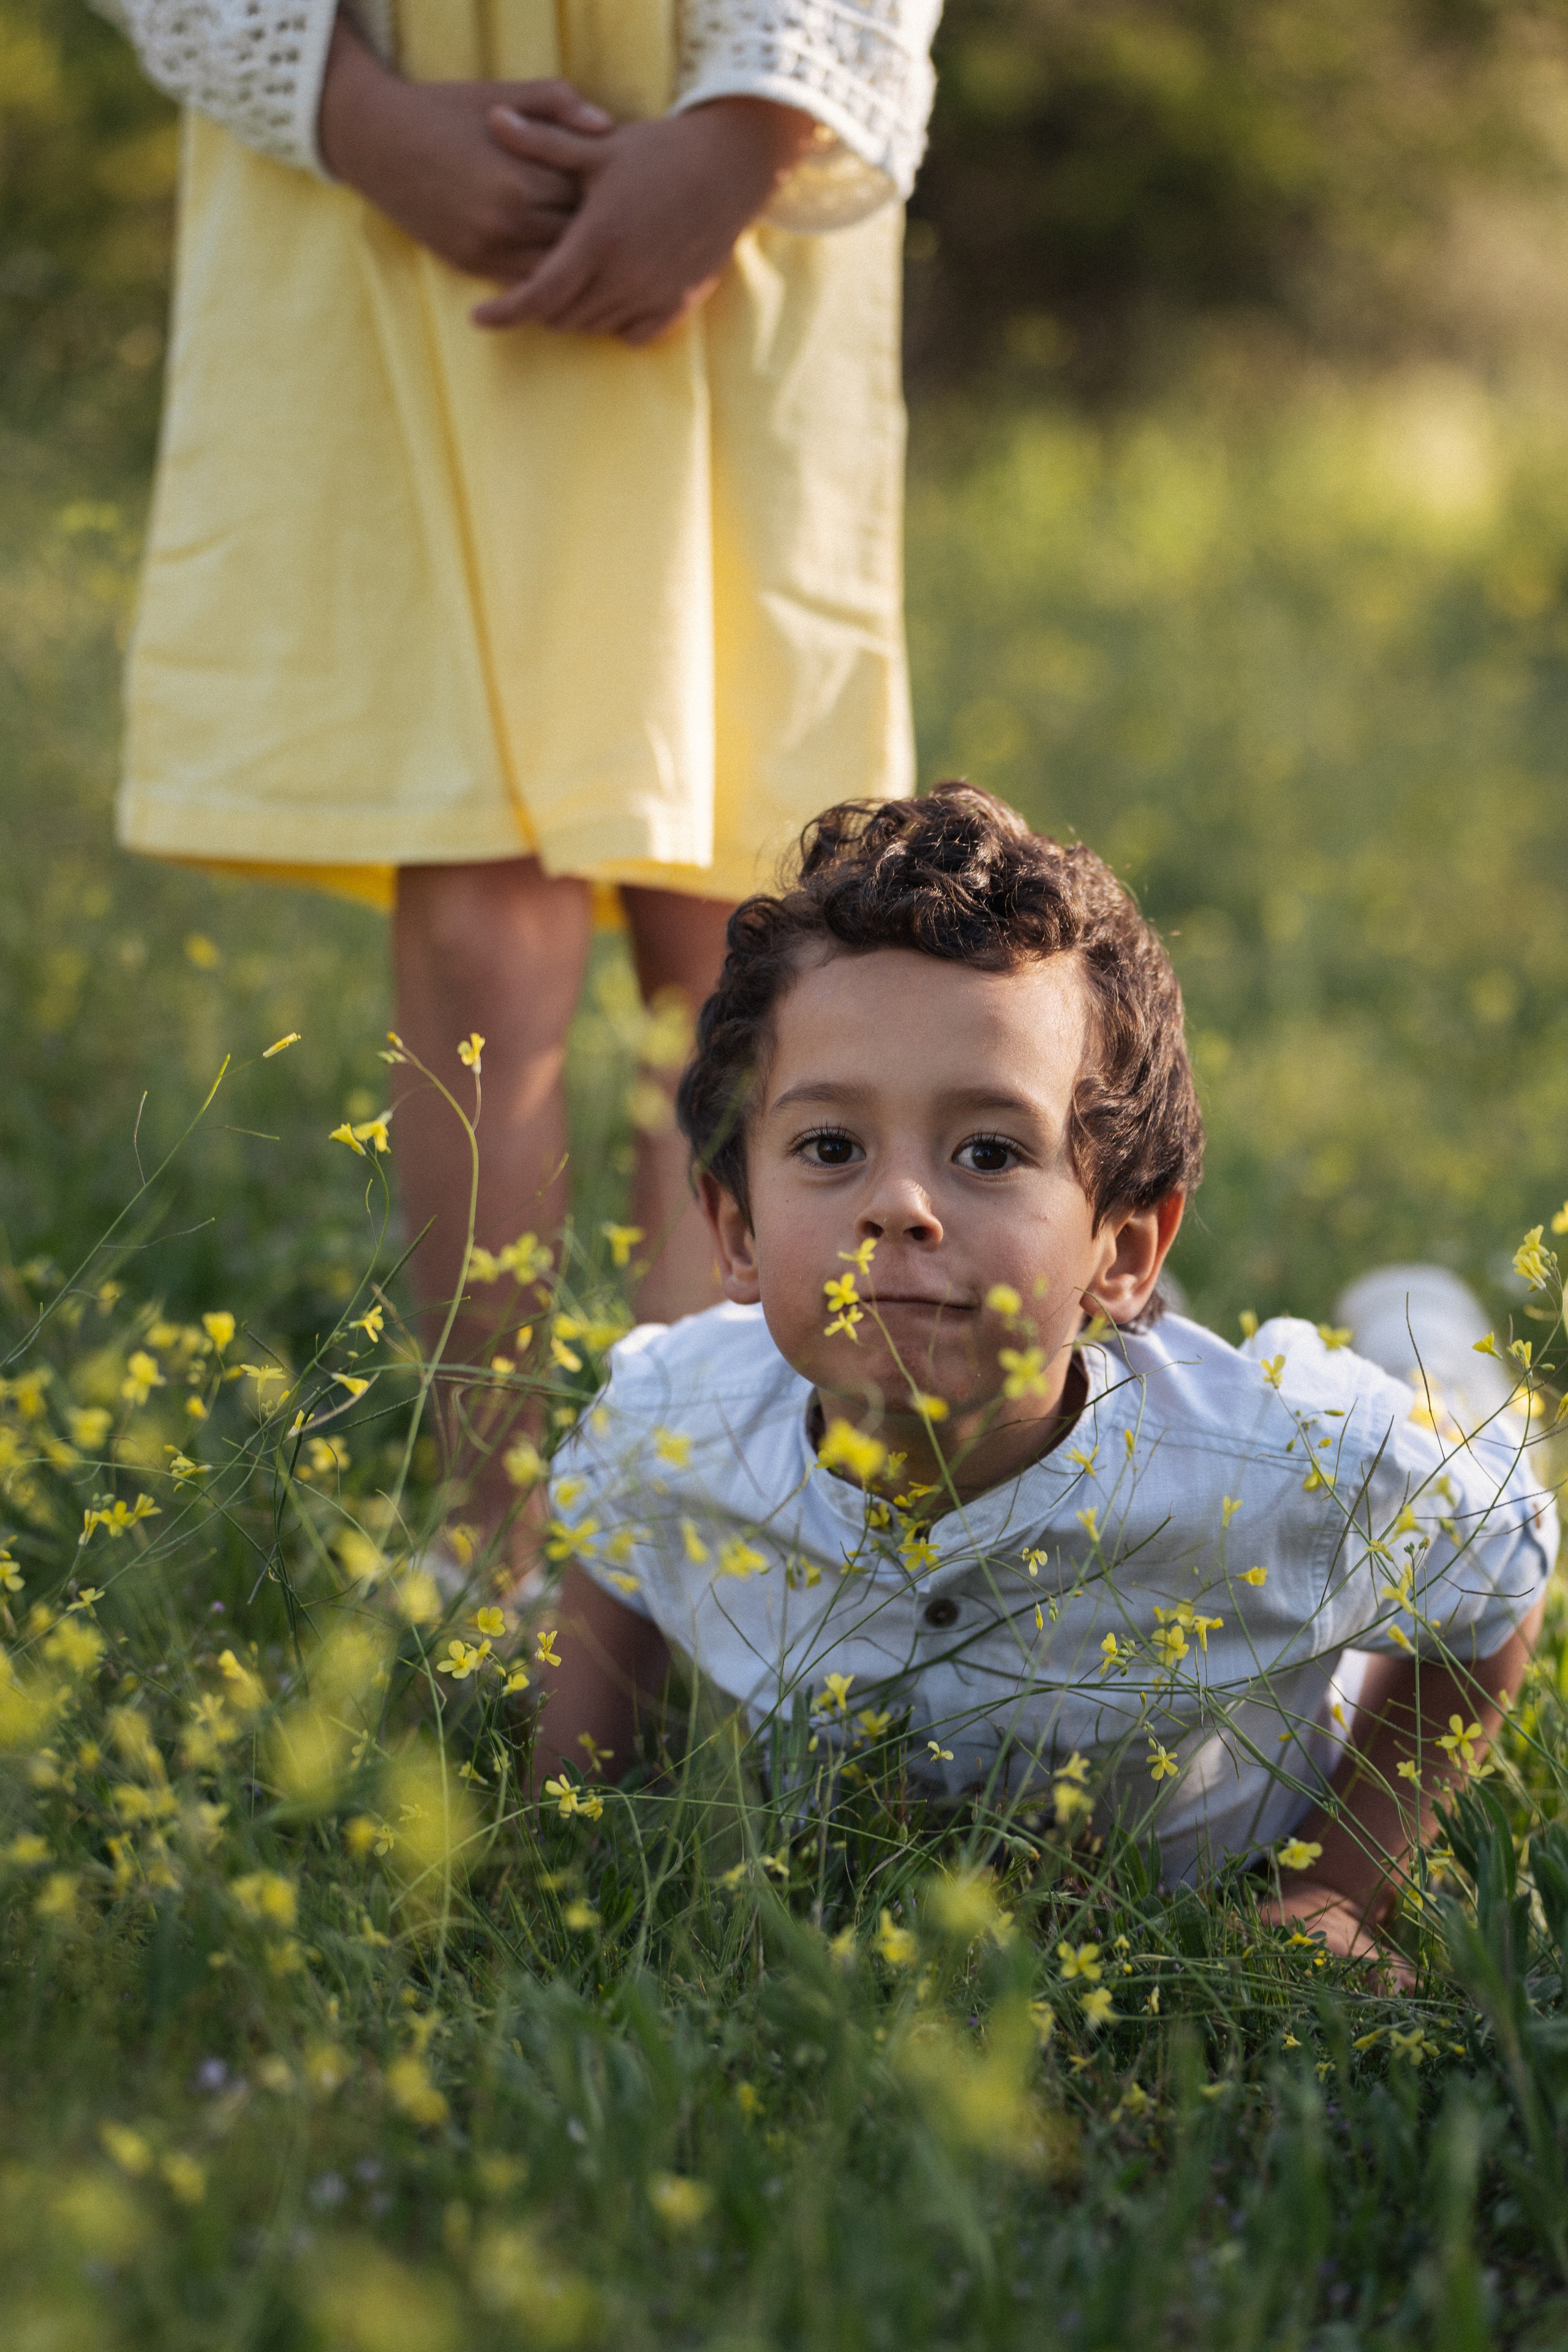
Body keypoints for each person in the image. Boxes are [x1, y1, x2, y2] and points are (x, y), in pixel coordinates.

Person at [93, 0, 941, 1544]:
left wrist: (747, 129)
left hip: (714, 163)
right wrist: (342, 102)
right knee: (486, 930)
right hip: (382, 177)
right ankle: (502, 1545)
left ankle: (697, 1528)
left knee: (733, 930)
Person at [532, 783, 1556, 1960]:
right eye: (830, 1148)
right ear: (739, 1234)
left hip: (1263, 1545)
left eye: (987, 1151)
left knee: (1459, 1433)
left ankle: (1423, 1326)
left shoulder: (1284, 1475)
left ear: (1122, 1251)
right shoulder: (674, 1419)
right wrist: (576, 1808)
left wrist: (1337, 1884)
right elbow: (612, 1536)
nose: (901, 1205)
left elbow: (1499, 1572)